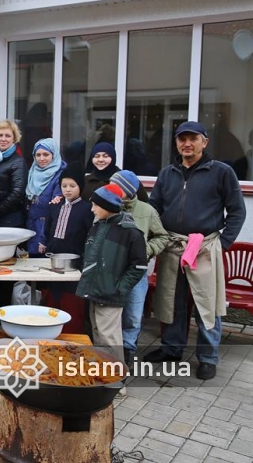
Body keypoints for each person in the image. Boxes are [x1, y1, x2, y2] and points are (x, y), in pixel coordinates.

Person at [145, 121, 246, 380]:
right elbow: (154, 207)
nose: (187, 144)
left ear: (205, 141)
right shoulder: (167, 173)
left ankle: (208, 357)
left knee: (206, 304)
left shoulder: (222, 172)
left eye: (193, 139)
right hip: (173, 246)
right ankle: (172, 348)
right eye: (182, 139)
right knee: (172, 300)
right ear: (177, 143)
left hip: (203, 248)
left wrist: (223, 243)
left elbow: (237, 210)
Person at [76, 184, 147, 366]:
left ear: (107, 206)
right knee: (98, 337)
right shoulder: (98, 226)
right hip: (94, 291)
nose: (91, 209)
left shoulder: (130, 232)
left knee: (110, 340)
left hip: (110, 294)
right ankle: (102, 377)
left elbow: (139, 267)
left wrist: (120, 288)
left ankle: (117, 381)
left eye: (95, 205)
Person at [109, 170, 169, 362]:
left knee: (133, 314)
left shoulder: (147, 210)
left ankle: (128, 350)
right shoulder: (107, 206)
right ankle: (110, 349)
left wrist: (146, 250)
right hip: (111, 270)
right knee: (109, 311)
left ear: (128, 189)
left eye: (116, 185)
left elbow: (162, 237)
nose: (112, 188)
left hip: (137, 271)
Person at [40, 166, 93, 333]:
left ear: (80, 187)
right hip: (53, 259)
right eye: (64, 186)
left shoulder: (86, 209)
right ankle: (49, 332)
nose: (68, 190)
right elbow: (48, 229)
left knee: (70, 301)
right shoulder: (55, 206)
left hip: (74, 262)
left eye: (72, 186)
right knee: (51, 297)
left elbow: (89, 235)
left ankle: (72, 334)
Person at [0, 120, 27, 311]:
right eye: (0, 135)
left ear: (14, 138)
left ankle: (4, 310)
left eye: (7, 136)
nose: (3, 139)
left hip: (9, 220)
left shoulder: (17, 161)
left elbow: (17, 193)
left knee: (6, 269)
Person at [25, 138, 66, 256]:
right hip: (31, 226)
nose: (41, 158)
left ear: (54, 154)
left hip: (45, 229)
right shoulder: (32, 172)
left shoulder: (60, 175)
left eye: (46, 154)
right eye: (38, 155)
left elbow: (54, 208)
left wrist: (43, 238)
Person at [82, 142, 149, 202]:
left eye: (105, 156)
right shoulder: (85, 181)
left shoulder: (125, 179)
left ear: (113, 157)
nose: (101, 160)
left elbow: (144, 203)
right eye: (97, 156)